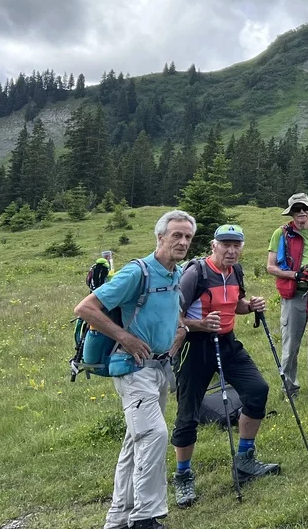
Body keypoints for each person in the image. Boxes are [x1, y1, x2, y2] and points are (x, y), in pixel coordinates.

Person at [74, 210, 195, 529]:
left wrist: (180, 331)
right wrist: (124, 338)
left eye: (187, 237)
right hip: (133, 368)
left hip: (159, 367)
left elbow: (170, 311)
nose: (182, 242)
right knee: (154, 435)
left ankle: (118, 518)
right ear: (160, 237)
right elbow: (85, 308)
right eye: (176, 235)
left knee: (136, 440)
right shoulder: (137, 272)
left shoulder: (175, 273)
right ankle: (145, 517)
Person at [171, 224, 279, 509]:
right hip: (195, 346)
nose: (231, 251)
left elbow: (235, 305)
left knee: (257, 390)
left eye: (236, 245)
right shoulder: (195, 273)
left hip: (227, 343)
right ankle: (183, 475)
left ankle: (244, 460)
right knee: (188, 412)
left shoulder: (235, 271)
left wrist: (250, 305)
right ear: (213, 246)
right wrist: (199, 324)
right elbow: (173, 316)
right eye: (225, 245)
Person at [266, 192, 308, 398]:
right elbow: (271, 267)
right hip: (294, 295)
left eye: (305, 208)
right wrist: (296, 275)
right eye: (297, 209)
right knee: (291, 345)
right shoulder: (281, 233)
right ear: (291, 213)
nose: (302, 212)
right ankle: (289, 389)